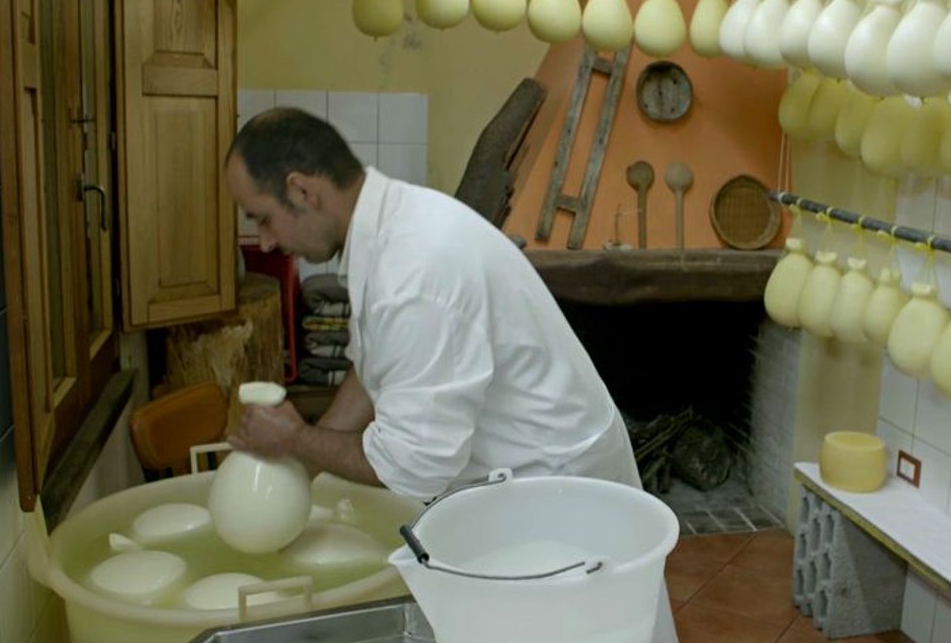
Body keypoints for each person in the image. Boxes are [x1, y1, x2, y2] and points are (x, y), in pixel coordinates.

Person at [224, 106, 643, 500]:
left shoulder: (415, 271)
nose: (265, 242)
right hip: (524, 477)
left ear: (301, 191)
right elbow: (376, 370)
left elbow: (413, 467)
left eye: (263, 218)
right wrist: (305, 462)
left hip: (560, 491)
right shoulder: (387, 226)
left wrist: (296, 439)